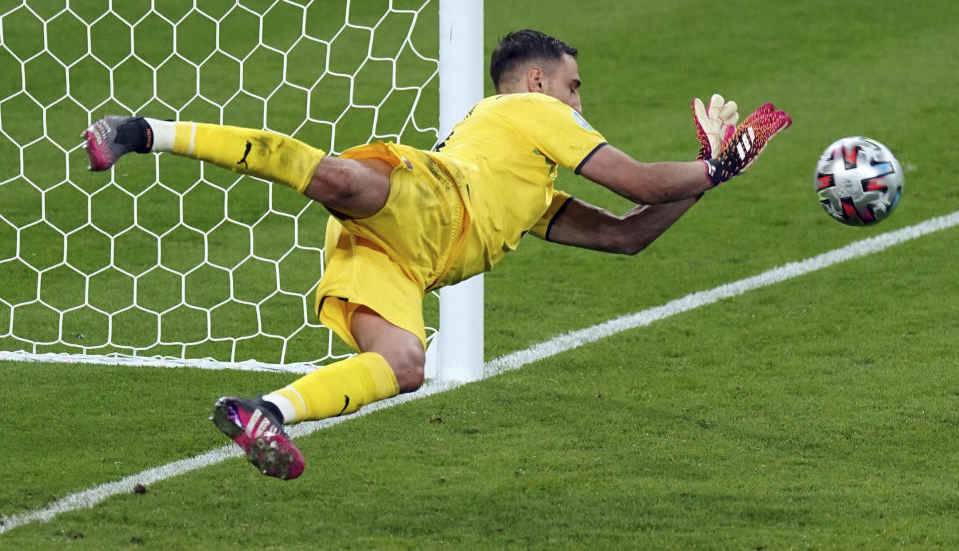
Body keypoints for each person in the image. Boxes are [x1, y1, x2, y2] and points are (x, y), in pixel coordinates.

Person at [83, 30, 791, 480]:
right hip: (423, 198)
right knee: (331, 176)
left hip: (400, 262)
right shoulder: (530, 111)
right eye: (574, 86)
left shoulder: (526, 187)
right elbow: (637, 180)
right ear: (539, 83)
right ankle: (142, 131)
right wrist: (719, 169)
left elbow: (625, 232)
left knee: (404, 367)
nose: (580, 101)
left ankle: (261, 410)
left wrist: (706, 175)